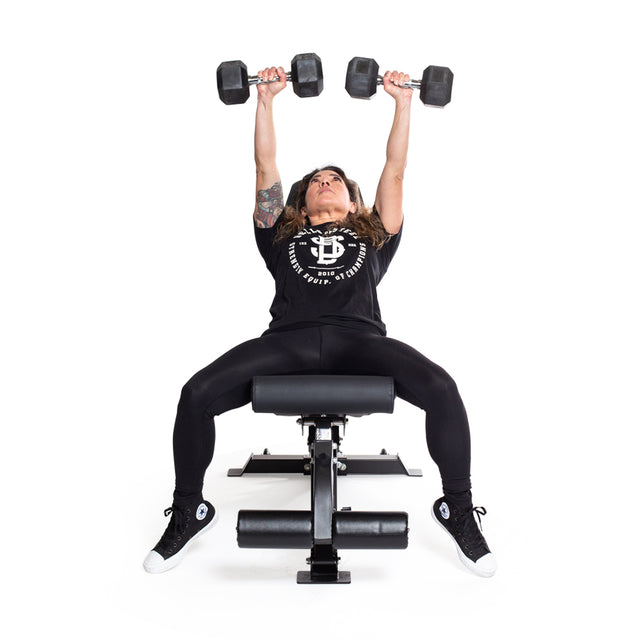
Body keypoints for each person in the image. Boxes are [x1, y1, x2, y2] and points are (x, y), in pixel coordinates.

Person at [143, 65, 497, 578]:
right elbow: (266, 167)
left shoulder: (374, 233)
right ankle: (190, 510)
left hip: (361, 342)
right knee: (195, 394)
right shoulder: (279, 236)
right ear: (301, 203)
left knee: (443, 387)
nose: (324, 184)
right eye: (315, 183)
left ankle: (458, 509)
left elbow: (394, 170)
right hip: (288, 342)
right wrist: (264, 101)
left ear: (353, 202)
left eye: (334, 182)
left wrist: (402, 104)